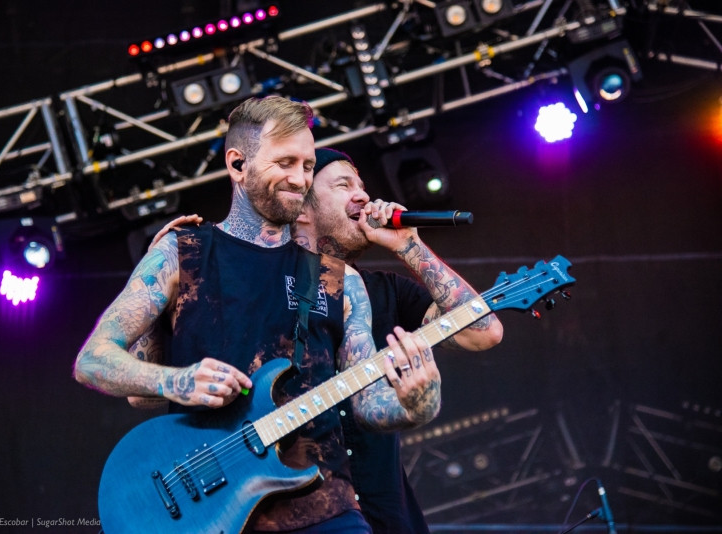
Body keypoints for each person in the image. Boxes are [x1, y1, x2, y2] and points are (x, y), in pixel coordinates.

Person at [73, 96, 441, 534]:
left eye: (306, 166)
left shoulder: (338, 280)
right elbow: (93, 359)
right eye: (285, 162)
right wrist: (176, 380)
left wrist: (417, 403)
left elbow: (366, 406)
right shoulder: (181, 254)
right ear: (237, 164)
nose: (299, 178)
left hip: (326, 510)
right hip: (214, 509)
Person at [137, 147, 504, 533]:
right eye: (345, 185)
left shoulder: (381, 291)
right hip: (264, 511)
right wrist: (152, 285)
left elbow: (485, 331)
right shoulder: (237, 282)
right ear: (301, 208)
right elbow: (143, 392)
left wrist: (408, 245)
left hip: (378, 515)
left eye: (362, 186)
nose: (363, 196)